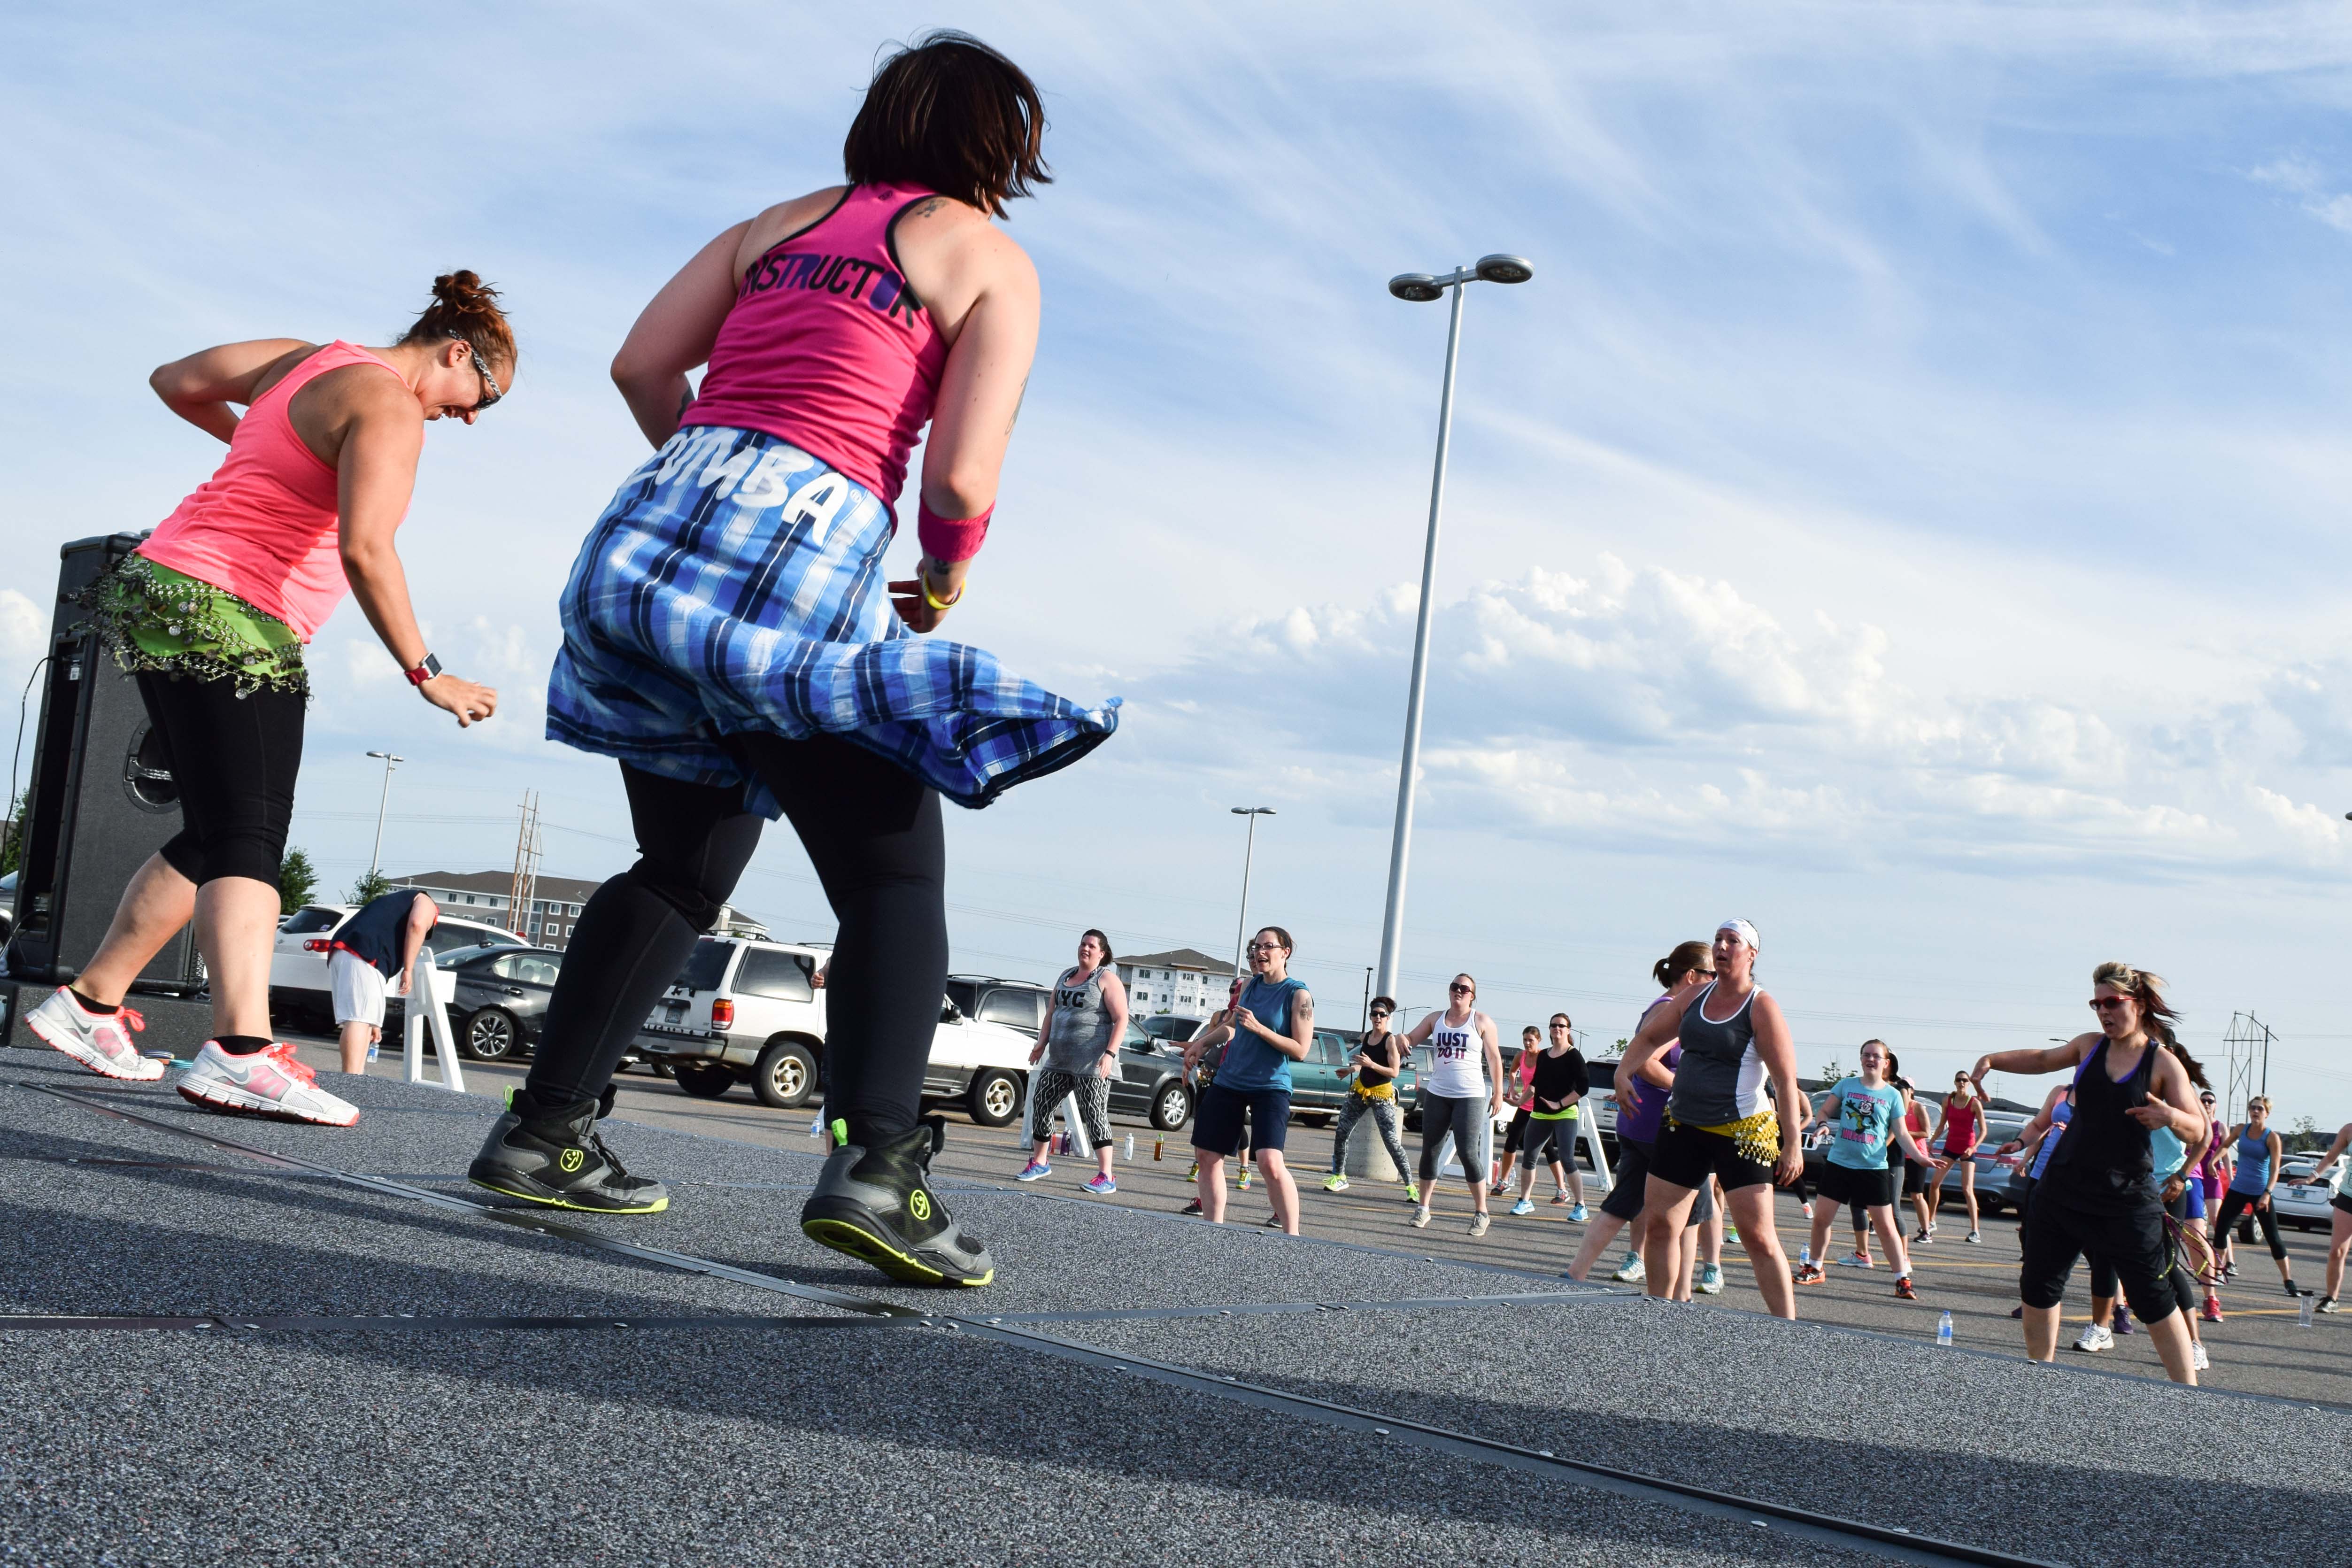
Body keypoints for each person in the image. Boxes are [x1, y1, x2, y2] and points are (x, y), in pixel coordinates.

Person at [467, 35, 1115, 1291]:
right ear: (1003, 150)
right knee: (890, 873)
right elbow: (962, 475)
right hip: (803, 537)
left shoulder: (769, 225)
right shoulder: (988, 256)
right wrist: (944, 569)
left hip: (647, 532)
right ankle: (878, 1167)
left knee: (687, 857)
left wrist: (711, 475)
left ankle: (543, 1133)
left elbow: (642, 366)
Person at [25, 276, 510, 1127]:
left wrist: (265, 451)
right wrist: (426, 671)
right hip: (232, 609)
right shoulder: (389, 404)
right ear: (456, 351)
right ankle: (241, 1051)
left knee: (213, 831)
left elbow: (176, 380)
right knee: (250, 834)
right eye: (483, 396)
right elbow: (367, 548)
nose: (470, 417)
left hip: (156, 584)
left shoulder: (308, 359)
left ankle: (91, 1004)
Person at [1969, 962, 2206, 1384]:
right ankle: (2039, 1381)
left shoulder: (2163, 1062)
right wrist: (1991, 1060)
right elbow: (2042, 1059)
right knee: (2038, 1287)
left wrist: (2169, 1114)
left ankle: (2186, 1395)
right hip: (2062, 1190)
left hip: (2127, 1200)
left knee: (2152, 1298)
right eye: (2096, 1003)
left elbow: (2198, 1129)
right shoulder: (2089, 1046)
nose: (2102, 1011)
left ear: (2139, 1003)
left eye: (2111, 1002)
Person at [1618, 919, 1808, 1320]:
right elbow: (1650, 1038)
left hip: (1742, 1131)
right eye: (1718, 939)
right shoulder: (1693, 996)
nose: (1721, 946)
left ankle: (1789, 1329)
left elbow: (1785, 1079)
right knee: (1659, 1226)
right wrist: (1623, 1072)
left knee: (1758, 1236)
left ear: (1751, 954)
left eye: (1732, 941)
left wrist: (1791, 1144)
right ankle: (1659, 1313)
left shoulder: (1761, 1006)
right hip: (1684, 1124)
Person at [1567, 942, 1713, 1290]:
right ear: (1691, 976)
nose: (1716, 982)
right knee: (1691, 1212)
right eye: (1712, 975)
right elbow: (1644, 1062)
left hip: (1639, 1123)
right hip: (1663, 1126)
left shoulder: (1661, 1007)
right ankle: (1679, 1297)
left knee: (1622, 1203)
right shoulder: (1675, 1011)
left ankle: (1575, 1273)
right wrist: (1685, 1086)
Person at [1181, 928, 1310, 1234]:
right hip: (1230, 1080)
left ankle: (1292, 1237)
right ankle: (1214, 1231)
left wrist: (1260, 1029)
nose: (1260, 952)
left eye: (1268, 946)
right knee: (1207, 1155)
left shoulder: (1298, 994)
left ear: (1285, 952)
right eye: (1256, 947)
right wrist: (1202, 1044)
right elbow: (1231, 1026)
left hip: (1270, 1085)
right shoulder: (1250, 986)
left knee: (1268, 1161)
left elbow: (1301, 1049)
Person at [1790, 1039, 1933, 1300]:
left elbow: (1901, 1133)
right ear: (1861, 1059)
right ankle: (1815, 1267)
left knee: (1886, 1227)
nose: (1871, 1059)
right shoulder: (1846, 1085)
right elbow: (1823, 1111)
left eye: (1876, 1056)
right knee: (1822, 1219)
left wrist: (1920, 1158)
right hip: (1839, 1164)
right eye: (1866, 1055)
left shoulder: (1892, 1095)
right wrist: (1822, 1124)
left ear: (1886, 1063)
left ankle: (1902, 1279)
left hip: (1874, 1167)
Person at [1016, 929, 1127, 1195]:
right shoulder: (1065, 976)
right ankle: (1040, 1162)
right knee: (1041, 1105)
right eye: (1082, 944)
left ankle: (1107, 1176)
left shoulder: (1106, 980)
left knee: (1095, 1115)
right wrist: (1041, 1044)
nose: (1085, 949)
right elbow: (1051, 1013)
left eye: (1091, 946)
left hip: (1092, 1065)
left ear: (1102, 953)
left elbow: (1121, 1019)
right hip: (1059, 1061)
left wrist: (1109, 1054)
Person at [1403, 973, 1506, 1235]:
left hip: (1470, 1095)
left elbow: (1494, 1058)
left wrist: (1498, 1093)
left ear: (1473, 995)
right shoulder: (1435, 1019)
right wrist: (1399, 1040)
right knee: (1430, 1150)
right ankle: (1424, 1208)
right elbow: (1411, 1040)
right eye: (1455, 987)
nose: (1459, 991)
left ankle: (1482, 1211)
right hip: (1439, 1092)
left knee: (1467, 1152)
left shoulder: (1481, 1021)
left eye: (1465, 989)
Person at [326, 889, 438, 1075]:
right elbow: (417, 924)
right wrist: (408, 970)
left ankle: (356, 1076)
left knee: (361, 1019)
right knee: (359, 1019)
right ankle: (350, 1081)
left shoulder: (398, 901)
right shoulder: (426, 901)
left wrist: (375, 1023)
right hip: (364, 951)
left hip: (345, 948)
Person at [1324, 995, 1417, 1203]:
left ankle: (1410, 1185)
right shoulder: (1366, 1037)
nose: (1378, 1018)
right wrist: (1351, 1069)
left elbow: (1394, 1072)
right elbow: (1362, 1064)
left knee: (1391, 1141)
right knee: (1342, 1131)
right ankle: (1339, 1176)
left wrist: (1371, 1064)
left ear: (1388, 1018)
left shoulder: (1390, 1040)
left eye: (1382, 1015)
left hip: (1382, 1094)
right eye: (1374, 1014)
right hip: (1361, 1090)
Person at [2209, 1097, 2303, 1300]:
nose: (2255, 1111)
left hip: (2260, 1192)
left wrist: (2268, 1193)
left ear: (2267, 1113)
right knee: (2221, 1229)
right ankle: (2219, 1272)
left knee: (2273, 1238)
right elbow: (2225, 1145)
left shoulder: (2271, 1138)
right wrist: (2213, 1161)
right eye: (2252, 1108)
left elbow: (2275, 1168)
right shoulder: (2241, 1129)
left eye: (2260, 1109)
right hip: (2238, 1189)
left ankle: (2289, 1281)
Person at [1508, 1013, 1589, 1219]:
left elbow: (1584, 1087)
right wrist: (1519, 1101)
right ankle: (1525, 1201)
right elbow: (1535, 1084)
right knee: (1529, 1157)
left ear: (1568, 1030)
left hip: (1566, 1114)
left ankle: (1581, 1206)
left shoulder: (1574, 1056)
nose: (1557, 1028)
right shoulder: (1544, 1055)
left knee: (1567, 1159)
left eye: (1561, 1026)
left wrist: (1560, 1104)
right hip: (1540, 1114)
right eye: (1553, 1025)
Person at [2289, 1120, 2352, 1313]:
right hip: (2348, 1196)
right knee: (2337, 1251)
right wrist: (2312, 1177)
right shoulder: (2349, 1130)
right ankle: (2332, 1298)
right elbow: (2332, 1156)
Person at [1927, 1073, 1988, 1244]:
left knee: (1967, 1190)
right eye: (1959, 1080)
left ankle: (1975, 1230)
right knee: (1934, 1184)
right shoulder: (1948, 1101)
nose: (1962, 1083)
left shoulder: (1974, 1103)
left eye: (1965, 1081)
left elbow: (1984, 1131)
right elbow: (1941, 1125)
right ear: (1955, 1082)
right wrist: (1931, 1142)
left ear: (1969, 1084)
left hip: (1967, 1149)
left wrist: (1973, 1148)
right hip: (1950, 1148)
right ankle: (1931, 1221)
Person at [1493, 1026, 1542, 1195]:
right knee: (1511, 1140)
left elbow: (1539, 1085)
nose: (1528, 1043)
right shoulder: (1521, 1056)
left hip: (1541, 1108)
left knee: (1548, 1149)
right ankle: (1504, 1181)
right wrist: (1513, 1089)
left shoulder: (1544, 1058)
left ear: (1539, 1041)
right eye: (1525, 1040)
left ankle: (1562, 1189)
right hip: (1524, 1106)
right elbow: (1513, 1072)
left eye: (1531, 1040)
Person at [1900, 1085, 1937, 1243]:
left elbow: (1926, 1132)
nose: (1902, 1093)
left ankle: (1926, 1231)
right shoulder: (1896, 1107)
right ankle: (1876, 1224)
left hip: (1917, 1155)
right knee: (1889, 1192)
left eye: (1906, 1090)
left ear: (1911, 1092)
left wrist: (1904, 1133)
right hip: (1898, 1154)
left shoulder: (1917, 1107)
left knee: (1917, 1195)